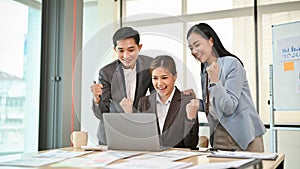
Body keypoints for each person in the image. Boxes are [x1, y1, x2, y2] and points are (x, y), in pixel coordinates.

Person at [186, 23, 266, 152]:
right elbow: (214, 106)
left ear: (210, 40)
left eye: (197, 45)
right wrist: (196, 102)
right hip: (219, 137)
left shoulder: (232, 64)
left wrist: (215, 81)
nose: (193, 51)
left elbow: (229, 107)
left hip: (244, 139)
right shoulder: (205, 71)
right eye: (191, 48)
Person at [90, 27, 155, 145]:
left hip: (138, 133)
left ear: (139, 47)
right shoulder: (106, 72)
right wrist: (97, 99)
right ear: (115, 50)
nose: (126, 55)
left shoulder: (149, 66)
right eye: (121, 50)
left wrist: (134, 115)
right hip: (111, 134)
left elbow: (156, 101)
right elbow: (102, 114)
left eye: (131, 50)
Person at [137, 55, 199, 149]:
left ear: (175, 76)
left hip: (177, 161)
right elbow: (140, 139)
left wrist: (191, 119)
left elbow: (191, 144)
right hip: (150, 159)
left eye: (164, 78)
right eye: (155, 78)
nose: (159, 83)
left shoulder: (186, 102)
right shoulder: (144, 102)